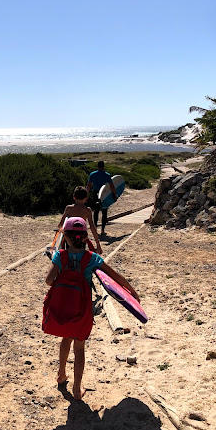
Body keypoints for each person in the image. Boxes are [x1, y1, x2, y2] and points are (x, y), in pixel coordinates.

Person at [44, 217, 140, 400]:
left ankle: (61, 374)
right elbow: (115, 276)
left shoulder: (59, 256)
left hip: (63, 307)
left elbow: (49, 281)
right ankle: (76, 389)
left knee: (66, 338)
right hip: (82, 309)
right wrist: (132, 293)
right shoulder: (92, 258)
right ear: (85, 237)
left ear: (66, 236)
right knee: (79, 347)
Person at [57, 186, 103, 255]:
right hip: (81, 236)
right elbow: (92, 227)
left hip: (70, 236)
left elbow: (60, 224)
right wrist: (98, 244)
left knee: (69, 253)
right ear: (86, 198)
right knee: (81, 254)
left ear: (74, 197)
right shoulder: (87, 210)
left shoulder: (68, 208)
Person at [86, 161, 117, 236]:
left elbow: (89, 186)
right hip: (104, 194)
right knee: (104, 211)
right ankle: (102, 230)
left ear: (97, 166)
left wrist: (86, 195)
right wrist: (115, 195)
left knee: (96, 211)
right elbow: (112, 186)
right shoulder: (107, 175)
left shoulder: (92, 174)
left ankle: (95, 228)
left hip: (95, 193)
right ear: (103, 166)